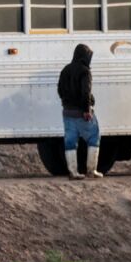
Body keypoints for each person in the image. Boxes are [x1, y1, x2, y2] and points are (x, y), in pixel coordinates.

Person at [57, 44, 101, 180]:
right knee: (94, 136)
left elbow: (59, 90)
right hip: (81, 112)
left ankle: (73, 172)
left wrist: (66, 103)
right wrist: (87, 109)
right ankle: (91, 170)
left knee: (70, 141)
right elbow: (85, 92)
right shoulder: (85, 71)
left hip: (67, 112)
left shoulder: (65, 70)